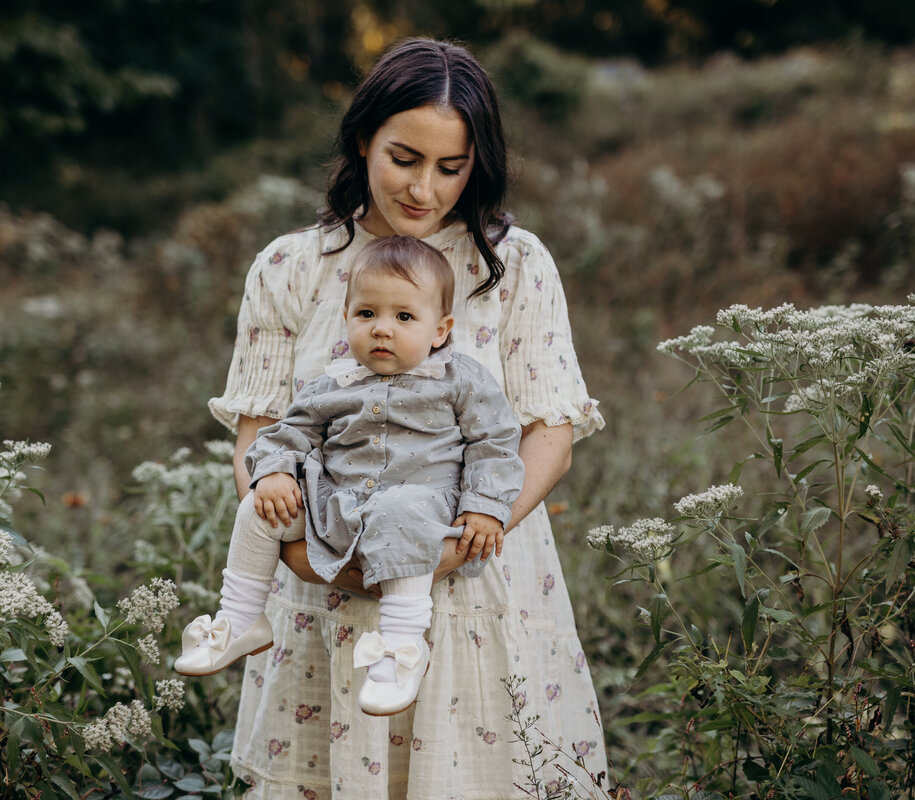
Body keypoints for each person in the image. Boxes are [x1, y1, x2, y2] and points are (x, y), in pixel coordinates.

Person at [208, 36, 609, 799]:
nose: (424, 189)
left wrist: (449, 549)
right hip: (324, 581)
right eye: (404, 158)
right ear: (363, 142)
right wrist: (293, 545)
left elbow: (549, 436)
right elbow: (259, 433)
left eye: (450, 168)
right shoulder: (294, 267)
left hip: (474, 583)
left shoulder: (514, 265)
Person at [176, 235, 525, 719]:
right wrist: (274, 473)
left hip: (422, 510)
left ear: (440, 329)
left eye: (404, 317)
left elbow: (496, 443)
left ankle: (400, 649)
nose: (383, 329)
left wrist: (485, 507)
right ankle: (239, 619)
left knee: (400, 510)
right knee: (258, 509)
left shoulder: (459, 380)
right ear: (347, 319)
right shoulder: (333, 384)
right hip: (337, 510)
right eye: (367, 315)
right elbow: (284, 435)